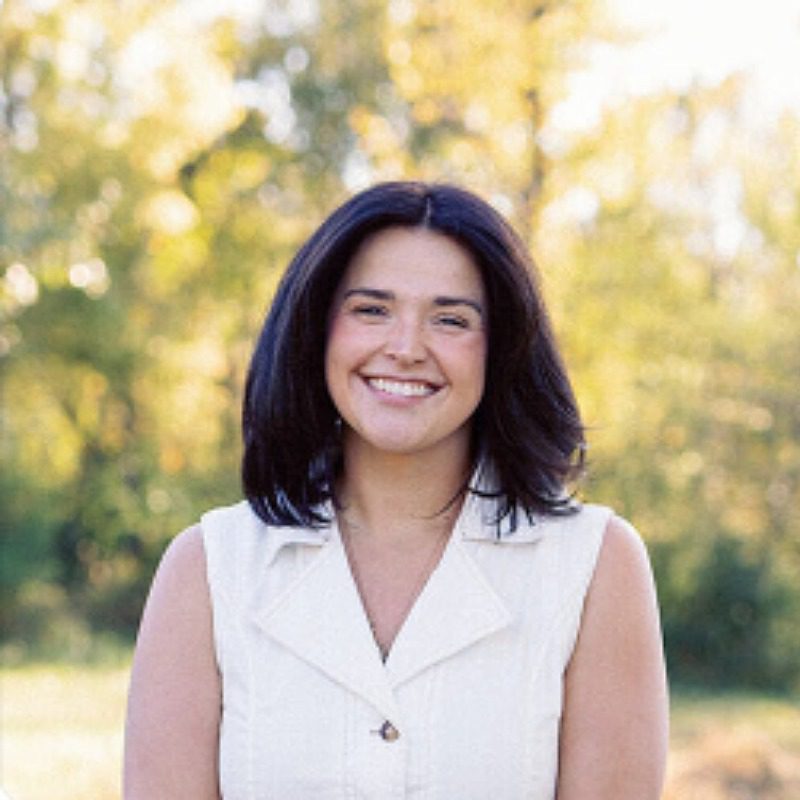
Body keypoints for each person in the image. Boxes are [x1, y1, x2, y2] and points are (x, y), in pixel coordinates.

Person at [124, 181, 668, 799]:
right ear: (318, 329)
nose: (406, 348)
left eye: (451, 319)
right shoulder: (208, 569)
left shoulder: (594, 566)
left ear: (501, 348)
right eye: (371, 310)